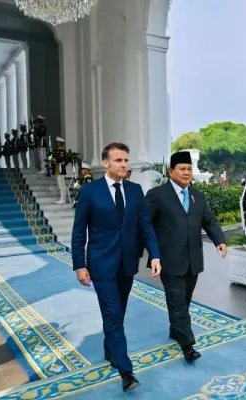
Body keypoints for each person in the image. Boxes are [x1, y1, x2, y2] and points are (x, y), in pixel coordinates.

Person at [71, 142, 162, 392]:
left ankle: (110, 349)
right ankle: (126, 371)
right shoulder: (90, 191)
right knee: (112, 313)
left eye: (126, 160)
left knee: (118, 312)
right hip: (101, 264)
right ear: (106, 163)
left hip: (127, 263)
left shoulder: (135, 190)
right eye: (118, 160)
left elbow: (145, 226)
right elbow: (79, 231)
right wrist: (79, 265)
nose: (123, 164)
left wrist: (155, 255)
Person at [145, 151, 227, 362]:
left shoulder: (197, 195)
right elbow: (145, 226)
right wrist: (151, 254)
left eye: (189, 169)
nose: (186, 172)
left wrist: (219, 240)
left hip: (193, 259)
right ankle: (188, 345)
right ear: (171, 171)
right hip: (168, 259)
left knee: (185, 300)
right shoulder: (156, 195)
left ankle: (176, 330)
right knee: (178, 302)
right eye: (182, 169)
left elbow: (209, 220)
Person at [51, 137, 67, 204]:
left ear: (61, 143)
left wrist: (54, 158)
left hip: (60, 168)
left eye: (58, 143)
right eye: (57, 142)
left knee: (61, 183)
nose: (57, 144)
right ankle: (61, 198)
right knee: (59, 183)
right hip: (57, 168)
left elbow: (60, 159)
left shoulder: (62, 151)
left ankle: (62, 198)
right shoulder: (57, 150)